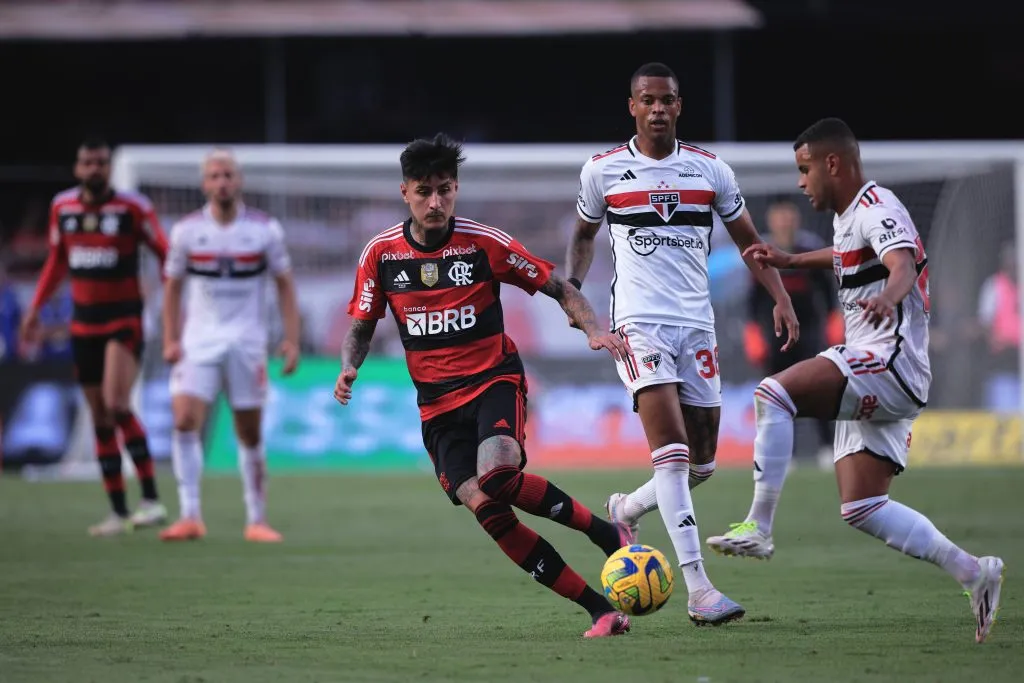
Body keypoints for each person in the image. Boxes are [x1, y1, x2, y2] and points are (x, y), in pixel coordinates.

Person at [705, 117, 1004, 644]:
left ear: (833, 164)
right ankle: (975, 572)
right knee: (863, 506)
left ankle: (759, 526)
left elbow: (902, 264)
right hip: (891, 371)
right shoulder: (849, 218)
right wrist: (792, 259)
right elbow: (847, 257)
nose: (801, 183)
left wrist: (888, 297)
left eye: (805, 170)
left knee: (773, 393)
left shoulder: (877, 207)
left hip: (888, 360)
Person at [335, 133, 635, 639]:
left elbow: (558, 287)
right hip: (436, 408)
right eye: (424, 191)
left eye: (445, 190)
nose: (435, 202)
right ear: (405, 192)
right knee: (488, 510)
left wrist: (593, 330)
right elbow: (362, 327)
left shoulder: (484, 244)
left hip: (493, 381)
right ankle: (600, 609)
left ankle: (607, 533)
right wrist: (350, 366)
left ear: (456, 189)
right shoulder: (381, 255)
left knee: (496, 476)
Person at [566, 62, 799, 625]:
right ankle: (699, 590)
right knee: (670, 456)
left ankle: (627, 507)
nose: (658, 109)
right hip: (638, 325)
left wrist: (780, 296)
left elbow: (750, 242)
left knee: (701, 465)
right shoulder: (603, 171)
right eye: (647, 100)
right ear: (632, 107)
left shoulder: (710, 170)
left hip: (696, 325)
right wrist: (572, 290)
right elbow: (583, 236)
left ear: (679, 105)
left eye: (667, 99)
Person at [20, 138, 169, 536]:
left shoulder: (133, 208)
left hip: (124, 320)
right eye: (88, 163)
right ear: (77, 168)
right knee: (101, 418)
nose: (94, 169)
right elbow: (57, 260)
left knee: (117, 404)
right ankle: (118, 512)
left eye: (101, 163)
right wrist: (35, 308)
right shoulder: (63, 207)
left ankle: (151, 500)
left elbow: (165, 252)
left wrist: (169, 299)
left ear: (109, 168)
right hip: (83, 324)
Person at [160, 149, 300, 543]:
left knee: (249, 432)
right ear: (204, 184)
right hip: (198, 341)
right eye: (214, 176)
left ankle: (257, 519)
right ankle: (190, 515)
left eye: (228, 175)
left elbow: (285, 284)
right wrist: (170, 338)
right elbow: (172, 287)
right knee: (184, 419)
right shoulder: (186, 231)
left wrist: (291, 339)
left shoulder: (264, 230)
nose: (222, 182)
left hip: (247, 342)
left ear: (239, 181)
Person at [745, 198, 838, 462]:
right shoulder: (760, 252)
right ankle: (787, 452)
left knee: (818, 389)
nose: (785, 222)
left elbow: (827, 290)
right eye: (779, 216)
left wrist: (834, 321)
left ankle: (826, 447)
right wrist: (752, 333)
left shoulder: (809, 249)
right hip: (774, 335)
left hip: (810, 332)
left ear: (796, 218)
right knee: (779, 393)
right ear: (771, 220)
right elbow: (753, 298)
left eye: (789, 215)